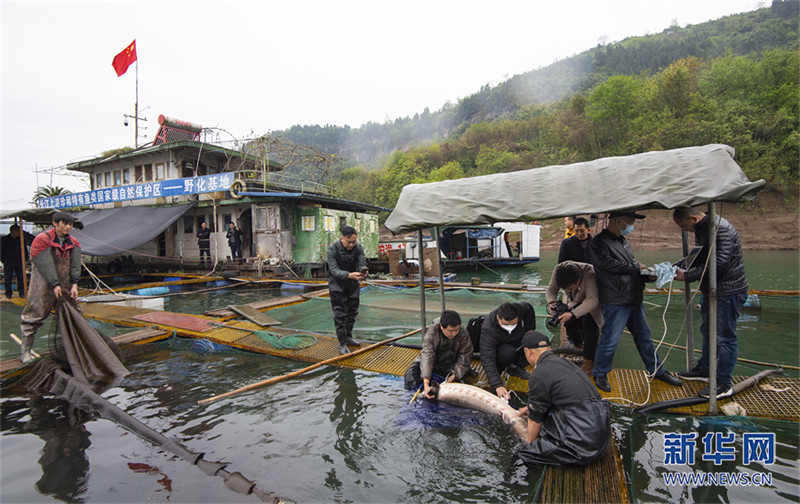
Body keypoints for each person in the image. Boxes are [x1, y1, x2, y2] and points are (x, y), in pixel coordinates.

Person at [588, 211, 683, 392]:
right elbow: (607, 265)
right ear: (618, 221)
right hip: (615, 299)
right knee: (610, 339)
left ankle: (657, 370)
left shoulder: (623, 242)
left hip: (633, 298)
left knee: (644, 337)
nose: (632, 226)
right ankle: (600, 373)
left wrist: (648, 274)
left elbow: (631, 268)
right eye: (630, 221)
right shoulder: (599, 242)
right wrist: (635, 267)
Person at [673, 207, 748, 398]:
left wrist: (688, 276)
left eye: (685, 226)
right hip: (712, 290)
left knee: (724, 337)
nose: (686, 230)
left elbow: (719, 264)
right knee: (707, 331)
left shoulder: (720, 229)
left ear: (693, 218)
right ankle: (705, 369)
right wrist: (671, 267)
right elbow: (697, 256)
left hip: (728, 291)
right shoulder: (702, 229)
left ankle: (723, 382)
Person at [516, 331, 610, 466]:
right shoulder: (565, 363)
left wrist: (531, 447)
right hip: (601, 432)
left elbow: (536, 420)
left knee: (524, 454)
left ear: (527, 351)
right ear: (548, 348)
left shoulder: (539, 374)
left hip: (584, 448)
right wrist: (529, 408)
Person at [19, 212, 82, 363]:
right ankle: (25, 352)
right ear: (55, 223)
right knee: (33, 317)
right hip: (42, 286)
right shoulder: (42, 239)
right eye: (64, 224)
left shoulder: (74, 243)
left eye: (70, 224)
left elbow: (75, 266)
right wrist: (54, 284)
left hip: (65, 286)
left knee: (73, 315)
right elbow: (44, 263)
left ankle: (74, 350)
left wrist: (74, 284)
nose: (68, 227)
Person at [545, 261, 602, 376]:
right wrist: (552, 303)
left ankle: (588, 361)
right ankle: (578, 345)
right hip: (575, 300)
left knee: (590, 328)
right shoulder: (559, 271)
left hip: (591, 303)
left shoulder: (590, 274)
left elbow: (592, 300)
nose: (568, 290)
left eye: (570, 288)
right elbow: (551, 290)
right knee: (568, 323)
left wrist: (573, 314)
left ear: (578, 281)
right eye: (566, 289)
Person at [404, 310, 474, 396]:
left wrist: (453, 376)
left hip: (451, 364)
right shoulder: (432, 333)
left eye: (457, 330)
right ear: (441, 326)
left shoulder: (463, 333)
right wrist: (426, 383)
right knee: (410, 375)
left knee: (462, 385)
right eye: (451, 331)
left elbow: (465, 356)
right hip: (434, 362)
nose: (454, 333)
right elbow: (427, 356)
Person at [480, 301, 537, 400]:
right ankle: (499, 370)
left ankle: (515, 367)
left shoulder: (519, 308)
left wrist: (530, 329)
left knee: (535, 340)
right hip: (501, 348)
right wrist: (497, 385)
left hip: (517, 337)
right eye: (506, 324)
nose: (510, 326)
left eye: (513, 323)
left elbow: (528, 308)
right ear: (498, 318)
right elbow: (487, 357)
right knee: (507, 352)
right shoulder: (489, 328)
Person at [326, 225, 366, 355]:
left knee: (352, 312)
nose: (351, 244)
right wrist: (349, 275)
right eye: (349, 242)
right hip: (337, 285)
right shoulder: (332, 249)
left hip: (353, 284)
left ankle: (349, 336)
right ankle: (342, 342)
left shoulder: (358, 247)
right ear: (341, 238)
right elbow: (334, 270)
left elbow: (361, 263)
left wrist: (363, 272)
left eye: (354, 241)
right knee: (340, 315)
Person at [1, 224, 33, 299]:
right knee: (8, 278)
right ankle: (8, 293)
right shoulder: (5, 239)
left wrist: (25, 259)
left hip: (19, 261)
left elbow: (25, 250)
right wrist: (3, 260)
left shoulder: (21, 239)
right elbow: (1, 251)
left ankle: (21, 292)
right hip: (8, 261)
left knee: (21, 277)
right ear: (13, 231)